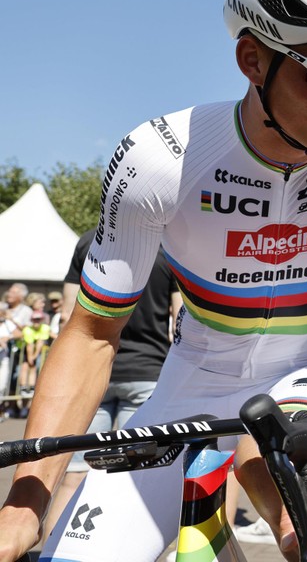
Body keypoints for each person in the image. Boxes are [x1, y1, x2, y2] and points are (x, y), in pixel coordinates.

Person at [0, 0, 307, 562]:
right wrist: (24, 506)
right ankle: (209, 522)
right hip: (188, 383)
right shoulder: (161, 160)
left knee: (299, 508)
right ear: (253, 60)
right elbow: (89, 336)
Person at [44, 228, 182, 543]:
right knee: (134, 476)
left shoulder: (88, 243)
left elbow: (68, 316)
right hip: (148, 371)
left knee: (75, 472)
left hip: (92, 372)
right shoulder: (170, 249)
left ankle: (57, 550)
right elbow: (179, 321)